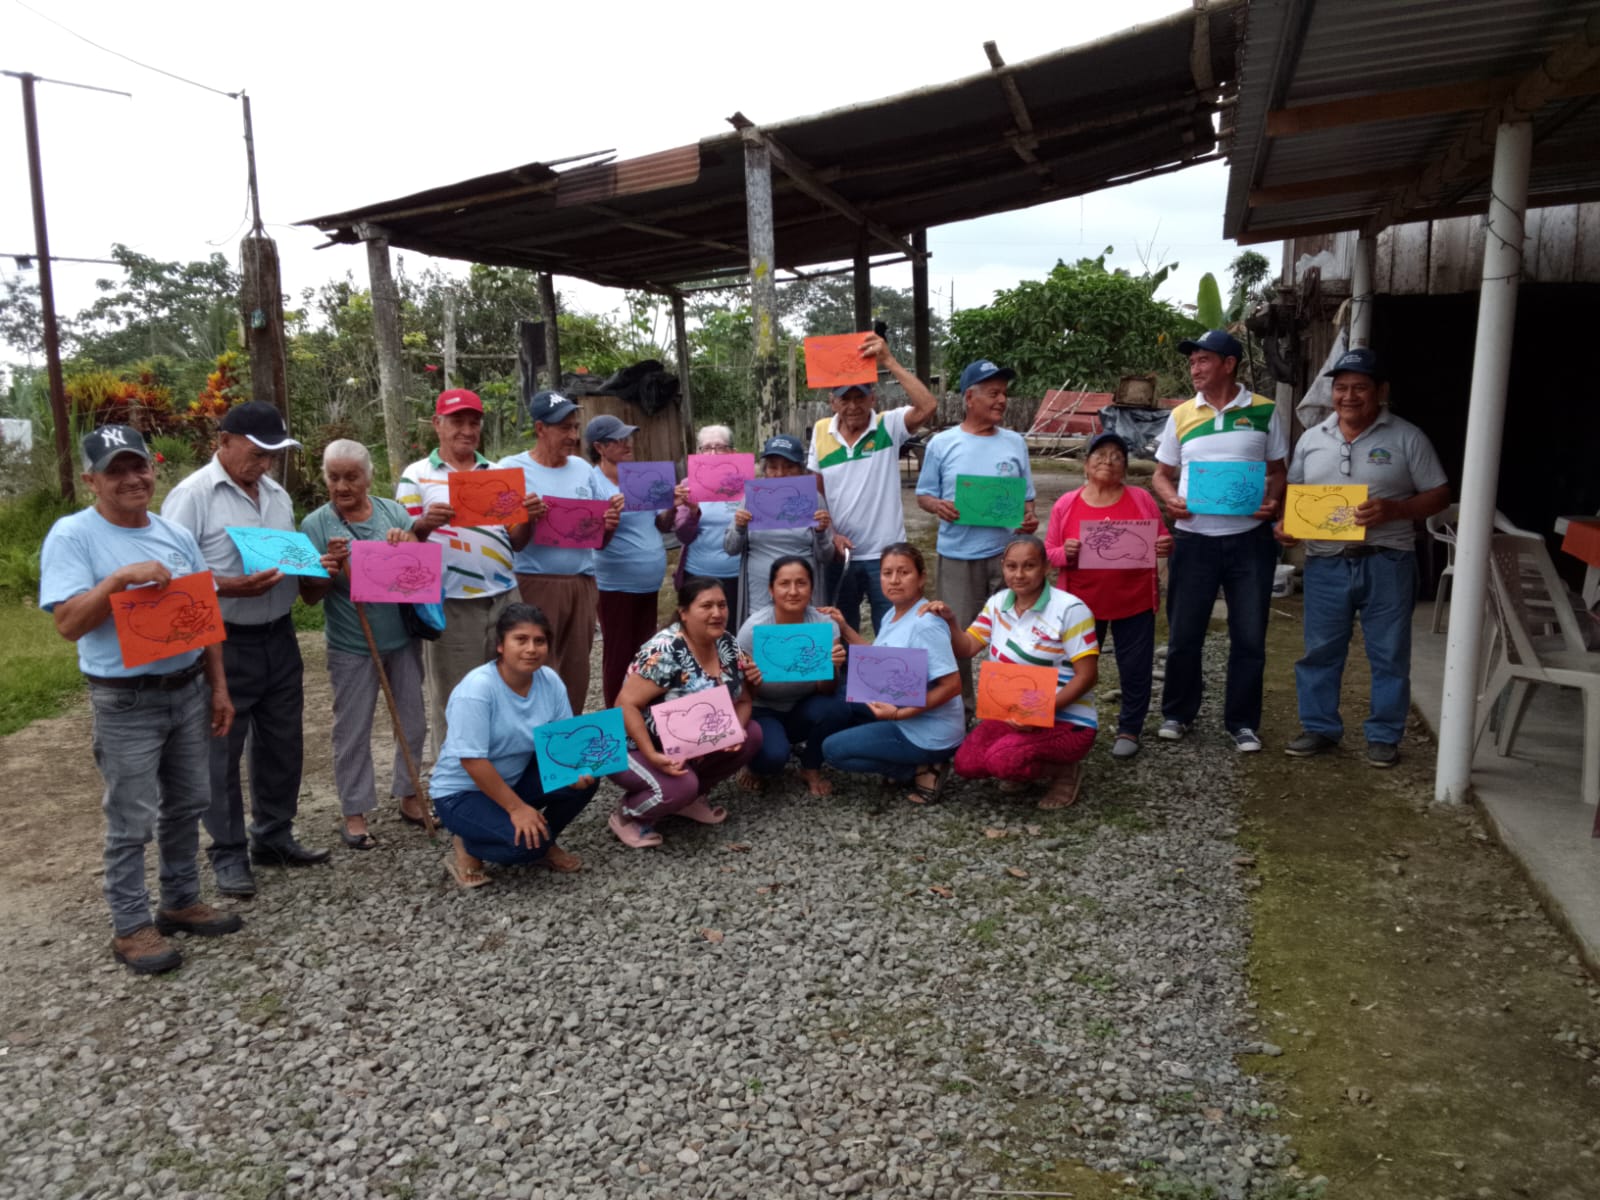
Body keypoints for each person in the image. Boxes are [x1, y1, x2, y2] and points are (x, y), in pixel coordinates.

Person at [39, 425, 242, 974]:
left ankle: (180, 899)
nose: (132, 479)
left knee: (190, 801)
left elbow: (204, 618)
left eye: (139, 466)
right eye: (116, 471)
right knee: (131, 817)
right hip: (125, 700)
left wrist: (219, 687)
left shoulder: (175, 535)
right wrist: (118, 581)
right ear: (91, 481)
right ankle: (130, 926)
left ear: (153, 468)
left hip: (187, 687)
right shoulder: (73, 535)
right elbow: (67, 624)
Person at [162, 400, 327, 898]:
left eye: (273, 455)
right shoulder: (192, 496)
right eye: (257, 453)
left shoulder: (276, 494)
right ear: (224, 442)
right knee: (221, 749)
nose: (265, 464)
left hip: (279, 633)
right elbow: (169, 577)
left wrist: (314, 565)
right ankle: (228, 852)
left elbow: (286, 555)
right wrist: (228, 587)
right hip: (223, 640)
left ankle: (273, 835)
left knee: (282, 741)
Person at [1276, 348, 1450, 768]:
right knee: (1320, 650)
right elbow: (1296, 495)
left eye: (1360, 387)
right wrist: (1288, 525)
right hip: (1325, 562)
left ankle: (1384, 735)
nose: (1349, 396)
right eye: (1341, 388)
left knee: (1389, 653)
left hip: (1387, 560)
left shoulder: (1407, 437)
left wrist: (1397, 509)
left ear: (1380, 391)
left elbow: (1440, 494)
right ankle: (1319, 727)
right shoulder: (1312, 439)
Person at [301, 440, 445, 848]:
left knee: (412, 721)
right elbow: (309, 595)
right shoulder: (315, 525)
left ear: (368, 477)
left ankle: (409, 796)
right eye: (334, 477)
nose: (342, 486)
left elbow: (418, 570)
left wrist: (407, 542)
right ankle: (354, 811)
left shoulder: (391, 512)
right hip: (351, 644)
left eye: (351, 477)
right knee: (353, 729)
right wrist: (328, 569)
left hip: (401, 640)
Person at [1150, 329, 1287, 753]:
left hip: (1250, 543)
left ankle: (1242, 723)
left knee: (1250, 637)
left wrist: (1273, 501)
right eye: (1192, 362)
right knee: (1184, 634)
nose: (1195, 368)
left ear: (1229, 364)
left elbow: (1277, 470)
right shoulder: (1181, 415)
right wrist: (1171, 500)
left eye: (1204, 360)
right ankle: (1177, 713)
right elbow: (1161, 474)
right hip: (1194, 541)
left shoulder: (1264, 410)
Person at [430, 604, 598, 887]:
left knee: (587, 778)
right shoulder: (477, 689)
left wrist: (574, 768)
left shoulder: (550, 681)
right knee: (524, 848)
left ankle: (544, 840)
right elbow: (472, 761)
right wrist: (517, 809)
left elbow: (561, 739)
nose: (531, 649)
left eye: (539, 641)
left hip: (513, 779)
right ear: (500, 645)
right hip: (461, 792)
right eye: (521, 640)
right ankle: (467, 843)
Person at [926, 536, 1100, 809]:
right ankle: (1021, 762)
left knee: (1002, 760)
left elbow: (1088, 676)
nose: (1019, 575)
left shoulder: (1071, 609)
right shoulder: (998, 603)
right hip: (1012, 714)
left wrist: (1041, 711)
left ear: (1046, 567)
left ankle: (1064, 771)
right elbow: (967, 647)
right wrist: (949, 621)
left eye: (1029, 566)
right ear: (1003, 567)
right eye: (1011, 566)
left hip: (1066, 719)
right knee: (966, 763)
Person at [397, 388, 520, 757]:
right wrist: (423, 525)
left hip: (505, 596)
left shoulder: (499, 473)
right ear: (437, 424)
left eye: (474, 422)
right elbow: (403, 546)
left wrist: (528, 516)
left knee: (509, 690)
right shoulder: (416, 475)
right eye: (457, 422)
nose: (467, 430)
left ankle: (501, 770)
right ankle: (454, 778)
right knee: (455, 698)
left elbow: (519, 540)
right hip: (450, 601)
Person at [915, 359, 1039, 709]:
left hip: (1007, 557)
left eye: (1004, 394)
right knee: (956, 636)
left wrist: (1028, 519)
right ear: (970, 397)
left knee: (1017, 632)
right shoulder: (942, 443)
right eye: (993, 393)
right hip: (958, 556)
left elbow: (1027, 500)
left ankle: (1011, 706)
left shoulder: (1014, 442)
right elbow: (923, 495)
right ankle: (962, 710)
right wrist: (937, 506)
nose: (1002, 400)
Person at [608, 577, 764, 848]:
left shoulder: (727, 644)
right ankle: (627, 815)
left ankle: (688, 800)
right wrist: (651, 755)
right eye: (706, 606)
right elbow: (624, 704)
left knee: (751, 734)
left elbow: (744, 701)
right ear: (684, 612)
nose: (717, 613)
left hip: (686, 740)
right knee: (680, 786)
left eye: (722, 605)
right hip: (631, 745)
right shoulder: (665, 651)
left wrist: (735, 731)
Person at [1044, 431, 1172, 759]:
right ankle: (1069, 724)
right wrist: (1064, 553)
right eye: (1100, 455)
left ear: (1125, 468)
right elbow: (1049, 552)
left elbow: (1162, 539)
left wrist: (1164, 545)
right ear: (1086, 464)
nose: (1108, 461)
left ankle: (1130, 728)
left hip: (1134, 600)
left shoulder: (1141, 499)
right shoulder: (1067, 504)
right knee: (1074, 668)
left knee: (1135, 668)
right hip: (1080, 604)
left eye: (1117, 457)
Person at [498, 390, 623, 714]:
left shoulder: (582, 469)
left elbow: (599, 541)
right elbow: (512, 542)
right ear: (540, 429)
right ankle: (530, 740)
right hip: (535, 583)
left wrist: (609, 524)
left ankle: (567, 739)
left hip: (582, 583)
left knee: (576, 672)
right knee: (533, 668)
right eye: (565, 428)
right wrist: (526, 518)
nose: (573, 436)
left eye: (575, 427)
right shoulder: (511, 469)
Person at [807, 332, 940, 634]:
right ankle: (848, 670)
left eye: (860, 397)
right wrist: (831, 534)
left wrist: (888, 360)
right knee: (842, 632)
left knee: (893, 631)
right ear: (832, 402)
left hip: (886, 556)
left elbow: (928, 405)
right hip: (841, 554)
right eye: (845, 398)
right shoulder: (821, 430)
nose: (853, 406)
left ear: (873, 398)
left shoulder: (887, 425)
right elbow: (816, 490)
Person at [820, 543, 965, 803]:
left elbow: (953, 685)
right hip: (901, 710)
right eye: (887, 573)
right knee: (842, 701)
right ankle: (905, 757)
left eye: (904, 572)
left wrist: (899, 714)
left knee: (833, 750)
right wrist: (844, 627)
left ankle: (921, 769)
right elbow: (877, 659)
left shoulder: (925, 623)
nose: (894, 580)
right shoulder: (893, 614)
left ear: (921, 578)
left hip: (928, 733)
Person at [735, 556, 858, 795]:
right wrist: (752, 681)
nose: (793, 591)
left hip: (803, 705)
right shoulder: (753, 630)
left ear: (811, 589)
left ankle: (811, 766)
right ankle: (751, 762)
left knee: (839, 708)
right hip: (763, 708)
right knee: (772, 759)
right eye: (784, 584)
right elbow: (743, 696)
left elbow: (827, 689)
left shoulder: (824, 625)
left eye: (801, 583)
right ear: (771, 590)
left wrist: (831, 668)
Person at [586, 413, 673, 706]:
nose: (627, 443)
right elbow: (595, 541)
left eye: (628, 437)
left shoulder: (641, 478)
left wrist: (673, 506)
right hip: (616, 585)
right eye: (618, 440)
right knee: (618, 655)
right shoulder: (593, 483)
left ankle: (642, 712)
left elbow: (662, 524)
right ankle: (617, 716)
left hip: (649, 583)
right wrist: (610, 517)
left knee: (645, 652)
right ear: (599, 447)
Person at [725, 433, 834, 628]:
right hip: (759, 598)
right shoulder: (751, 499)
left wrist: (821, 533)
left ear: (800, 470)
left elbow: (826, 557)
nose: (780, 473)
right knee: (763, 642)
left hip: (802, 598)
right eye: (773, 467)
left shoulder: (813, 499)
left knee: (801, 640)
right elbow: (730, 548)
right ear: (765, 471)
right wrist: (740, 528)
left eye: (789, 467)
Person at [674, 425, 744, 619]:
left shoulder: (745, 486)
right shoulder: (688, 485)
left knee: (733, 627)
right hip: (697, 575)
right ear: (698, 453)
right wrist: (692, 512)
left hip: (737, 575)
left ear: (732, 452)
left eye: (720, 447)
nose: (713, 454)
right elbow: (683, 535)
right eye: (706, 448)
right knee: (699, 628)